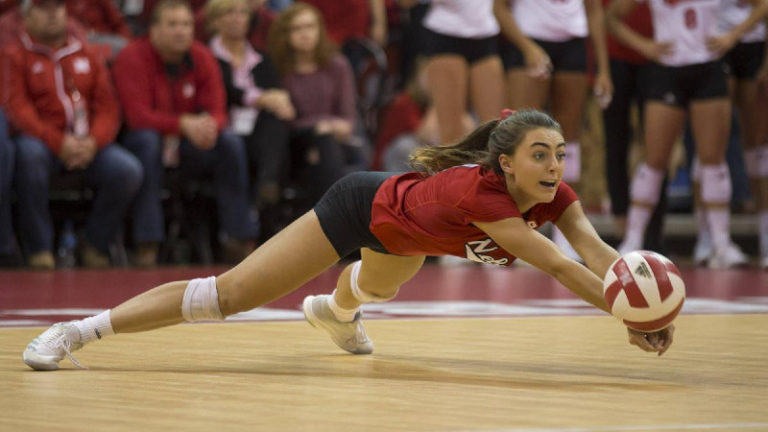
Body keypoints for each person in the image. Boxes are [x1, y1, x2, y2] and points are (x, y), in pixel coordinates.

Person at [21, 109, 675, 372]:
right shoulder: (489, 198)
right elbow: (562, 269)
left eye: (559, 152)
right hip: (361, 205)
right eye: (541, 154)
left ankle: (336, 311)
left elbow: (596, 254)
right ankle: (78, 330)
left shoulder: (556, 197)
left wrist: (635, 291)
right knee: (231, 295)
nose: (556, 165)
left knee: (377, 287)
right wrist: (626, 314)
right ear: (507, 163)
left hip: (409, 239)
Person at [607, 0, 768, 269]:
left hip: (708, 70)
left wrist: (732, 36)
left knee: (713, 159)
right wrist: (645, 46)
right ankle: (632, 240)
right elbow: (611, 17)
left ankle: (721, 243)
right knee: (655, 160)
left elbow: (762, 5)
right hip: (667, 70)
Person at [113, 0, 257, 267]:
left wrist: (208, 126)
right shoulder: (132, 56)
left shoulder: (201, 55)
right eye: (172, 25)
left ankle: (238, 238)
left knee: (229, 143)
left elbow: (218, 110)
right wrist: (183, 125)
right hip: (145, 142)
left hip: (189, 144)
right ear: (153, 30)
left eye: (186, 24)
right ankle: (148, 242)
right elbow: (137, 116)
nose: (181, 31)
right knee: (146, 141)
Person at [3, 0, 143, 270]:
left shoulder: (87, 52)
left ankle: (95, 243)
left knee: (127, 170)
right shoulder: (14, 54)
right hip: (42, 143)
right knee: (28, 156)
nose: (52, 14)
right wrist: (58, 142)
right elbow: (17, 109)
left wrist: (93, 142)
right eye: (43, 9)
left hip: (87, 143)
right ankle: (39, 247)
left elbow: (108, 107)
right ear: (26, 16)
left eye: (57, 7)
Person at [494, 0, 613, 258]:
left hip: (573, 44)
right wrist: (527, 47)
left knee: (568, 140)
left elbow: (594, 12)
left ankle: (566, 232)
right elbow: (499, 8)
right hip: (529, 38)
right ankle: (512, 228)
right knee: (521, 136)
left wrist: (603, 69)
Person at [206, 0, 295, 235]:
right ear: (215, 20)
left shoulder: (262, 58)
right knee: (254, 144)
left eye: (242, 13)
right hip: (223, 131)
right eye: (229, 13)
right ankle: (259, 207)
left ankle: (267, 185)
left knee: (277, 124)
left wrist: (280, 99)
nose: (237, 18)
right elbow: (222, 91)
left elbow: (276, 90)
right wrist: (260, 98)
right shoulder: (206, 56)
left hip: (258, 134)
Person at [267, 2, 358, 211]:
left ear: (320, 30)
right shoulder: (278, 69)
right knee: (319, 149)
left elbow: (348, 122)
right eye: (297, 29)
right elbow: (280, 124)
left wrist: (323, 131)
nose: (305, 34)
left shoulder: (338, 65)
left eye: (310, 27)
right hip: (291, 145)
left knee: (323, 149)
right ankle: (338, 224)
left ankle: (326, 224)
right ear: (285, 34)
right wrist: (317, 129)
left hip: (332, 140)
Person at [600, 0, 667, 252]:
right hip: (615, 56)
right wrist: (600, 67)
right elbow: (602, 15)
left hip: (659, 57)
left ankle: (653, 232)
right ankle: (622, 228)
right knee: (616, 140)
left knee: (658, 146)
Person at [719, 0, 768, 269]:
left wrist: (733, 35)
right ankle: (713, 238)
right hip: (712, 49)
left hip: (751, 44)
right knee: (712, 144)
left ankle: (765, 235)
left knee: (758, 144)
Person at [421, 0, 506, 145]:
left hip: (485, 35)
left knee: (496, 131)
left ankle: (489, 168)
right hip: (446, 34)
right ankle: (454, 167)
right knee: (452, 135)